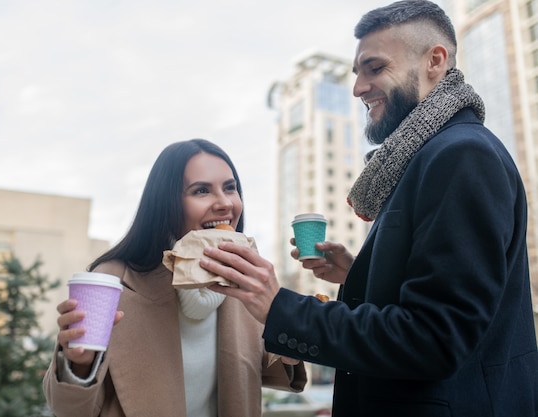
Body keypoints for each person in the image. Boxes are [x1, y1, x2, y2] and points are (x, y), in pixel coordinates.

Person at [199, 1, 538, 416]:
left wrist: (279, 307)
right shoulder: (431, 155)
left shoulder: (460, 156)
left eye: (374, 68)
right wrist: (361, 273)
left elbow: (434, 338)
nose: (358, 87)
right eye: (357, 72)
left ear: (435, 61)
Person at [42, 139, 306, 417]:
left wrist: (289, 345)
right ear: (166, 204)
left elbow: (260, 365)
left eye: (230, 188)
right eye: (201, 190)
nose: (225, 203)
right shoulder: (113, 281)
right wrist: (79, 364)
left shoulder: (241, 280)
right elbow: (68, 409)